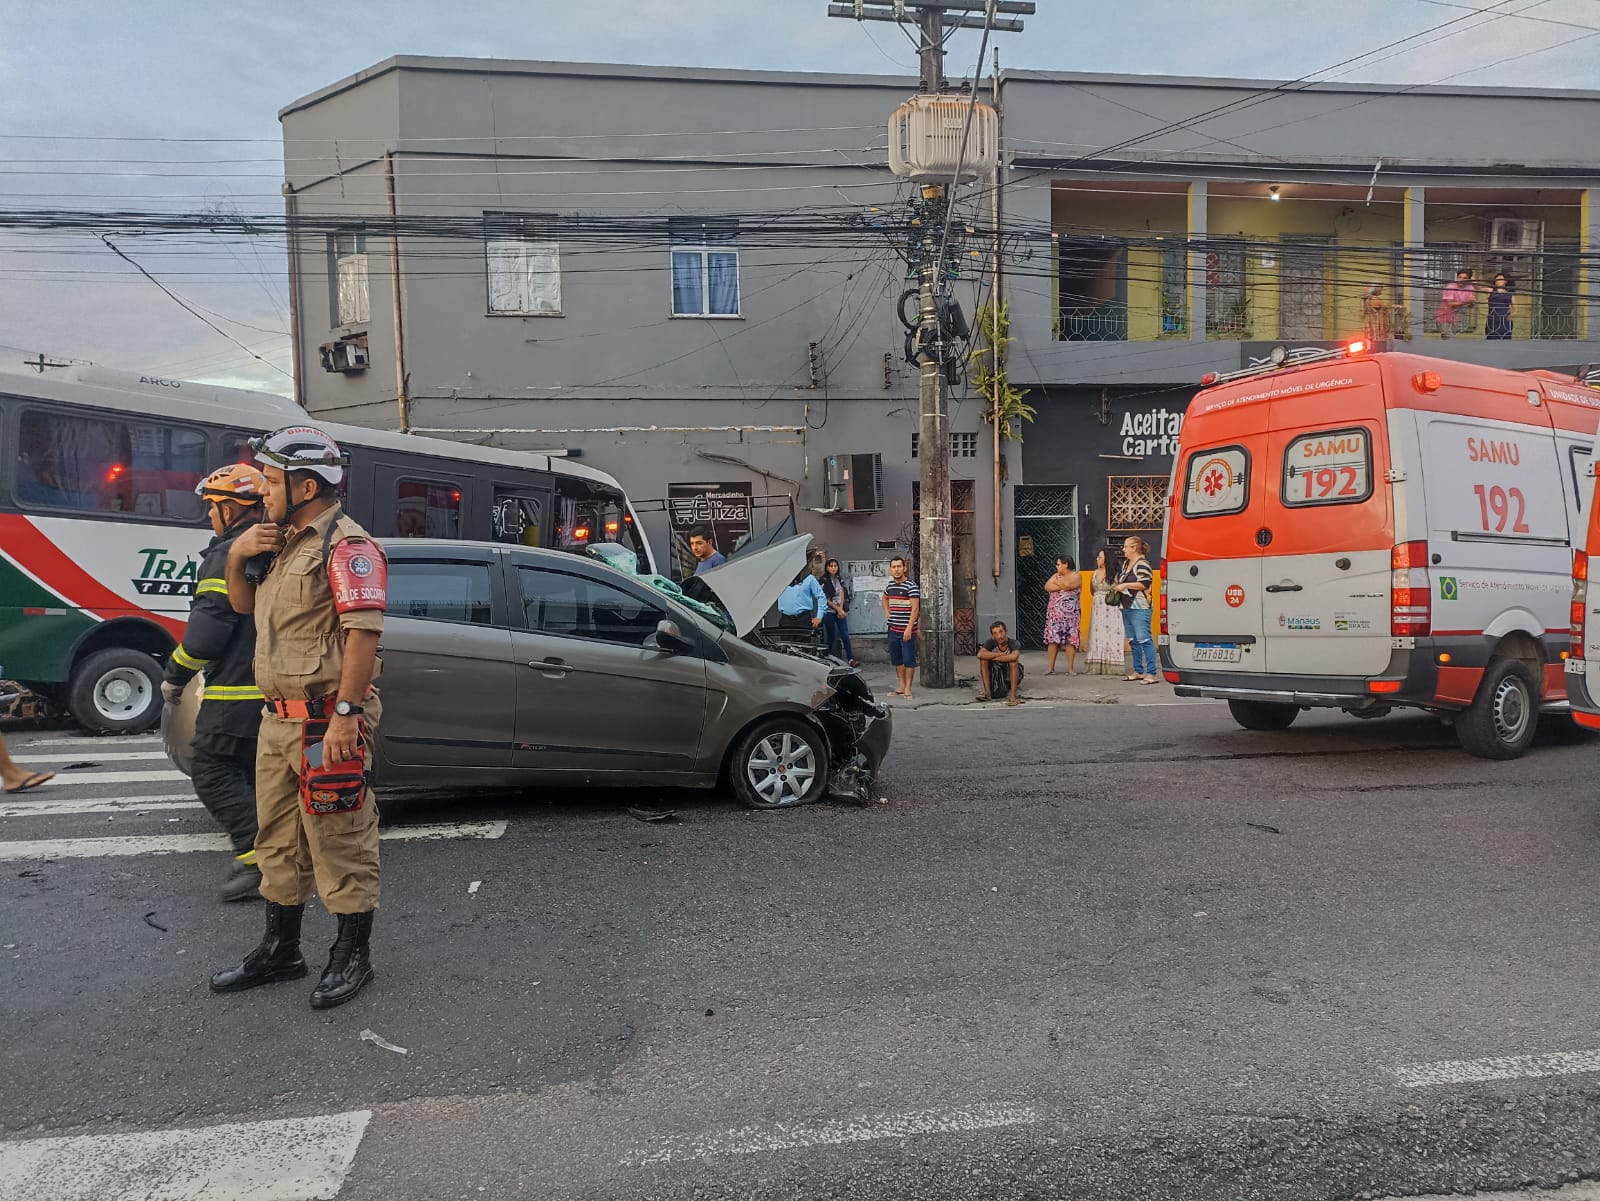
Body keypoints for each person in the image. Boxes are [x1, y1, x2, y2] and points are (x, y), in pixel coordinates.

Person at [210, 425, 387, 1010]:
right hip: (277, 721)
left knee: (339, 838)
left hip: (322, 723)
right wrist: (238, 553)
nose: (263, 490)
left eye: (272, 480)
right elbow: (243, 606)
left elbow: (361, 637)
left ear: (306, 484)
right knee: (277, 840)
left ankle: (351, 954)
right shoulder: (280, 541)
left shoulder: (347, 546)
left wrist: (345, 716)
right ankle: (281, 950)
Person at [161, 464, 269, 903]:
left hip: (234, 694)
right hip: (272, 690)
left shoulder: (226, 557)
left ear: (230, 508)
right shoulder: (273, 549)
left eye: (211, 507)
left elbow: (205, 637)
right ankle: (279, 857)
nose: (209, 516)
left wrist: (174, 677)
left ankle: (256, 860)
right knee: (252, 775)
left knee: (212, 771)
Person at [1114, 536, 1158, 684]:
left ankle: (1151, 673)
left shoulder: (1142, 564)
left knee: (1144, 639)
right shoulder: (1126, 564)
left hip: (1140, 607)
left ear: (1134, 548)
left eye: (1126, 547)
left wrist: (1125, 586)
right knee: (1133, 640)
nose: (1123, 549)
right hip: (1126, 606)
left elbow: (1144, 584)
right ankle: (1138, 670)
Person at [882, 556, 920, 699]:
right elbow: (884, 598)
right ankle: (901, 685)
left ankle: (908, 688)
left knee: (909, 660)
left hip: (907, 631)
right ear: (890, 569)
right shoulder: (890, 586)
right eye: (894, 567)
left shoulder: (911, 586)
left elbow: (915, 609)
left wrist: (909, 628)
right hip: (893, 629)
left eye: (899, 566)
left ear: (904, 568)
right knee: (897, 659)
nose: (897, 569)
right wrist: (887, 611)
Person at [1084, 550, 1126, 676]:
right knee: (1097, 637)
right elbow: (1092, 590)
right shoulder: (1095, 573)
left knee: (1112, 636)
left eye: (1100, 557)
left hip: (1112, 608)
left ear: (1106, 559)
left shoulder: (1117, 574)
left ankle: (1113, 666)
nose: (1097, 558)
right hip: (1097, 609)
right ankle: (1096, 666)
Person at [1042, 555, 1082, 675]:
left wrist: (1058, 584)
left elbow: (1068, 586)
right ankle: (1050, 667)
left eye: (1058, 564)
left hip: (1071, 615)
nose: (1056, 566)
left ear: (1066, 564)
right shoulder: (1055, 575)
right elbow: (1047, 587)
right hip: (1054, 614)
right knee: (1052, 640)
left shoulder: (1076, 575)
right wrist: (1061, 583)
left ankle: (1070, 668)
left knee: (1070, 641)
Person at [975, 621, 1025, 706]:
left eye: (1001, 632)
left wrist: (992, 657)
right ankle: (987, 693)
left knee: (1013, 663)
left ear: (1006, 631)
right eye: (995, 633)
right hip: (997, 671)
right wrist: (1001, 654)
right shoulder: (990, 642)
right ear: (992, 635)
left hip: (1010, 672)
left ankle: (1013, 696)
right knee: (983, 660)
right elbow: (980, 655)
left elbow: (1013, 657)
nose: (999, 636)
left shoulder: (1013, 643)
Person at [821, 558, 856, 666]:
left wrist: (841, 609)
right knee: (831, 636)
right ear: (827, 567)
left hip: (840, 611)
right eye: (831, 566)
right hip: (829, 611)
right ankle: (828, 658)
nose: (833, 568)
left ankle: (851, 659)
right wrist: (838, 609)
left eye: (835, 566)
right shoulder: (824, 580)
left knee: (845, 635)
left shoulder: (839, 579)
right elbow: (825, 599)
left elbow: (842, 593)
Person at [777, 566, 828, 637]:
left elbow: (821, 597)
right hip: (786, 620)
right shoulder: (780, 579)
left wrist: (819, 616)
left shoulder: (809, 578)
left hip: (803, 619)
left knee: (804, 646)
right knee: (785, 646)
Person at [1437, 269, 1476, 338]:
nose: (1461, 280)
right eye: (1459, 277)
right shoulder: (1451, 287)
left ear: (1469, 279)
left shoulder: (1470, 288)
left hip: (1455, 317)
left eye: (1465, 278)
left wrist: (1472, 302)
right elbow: (1450, 304)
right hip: (1444, 316)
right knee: (1449, 338)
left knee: (1451, 339)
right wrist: (1467, 301)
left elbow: (1470, 306)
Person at [1486, 273, 1514, 340]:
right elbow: (1479, 287)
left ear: (1506, 281)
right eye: (1497, 280)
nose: (1498, 281)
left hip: (1505, 321)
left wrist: (1511, 316)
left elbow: (1516, 308)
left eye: (1500, 279)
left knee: (1506, 339)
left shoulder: (1510, 294)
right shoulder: (1491, 290)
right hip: (1493, 320)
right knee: (1491, 338)